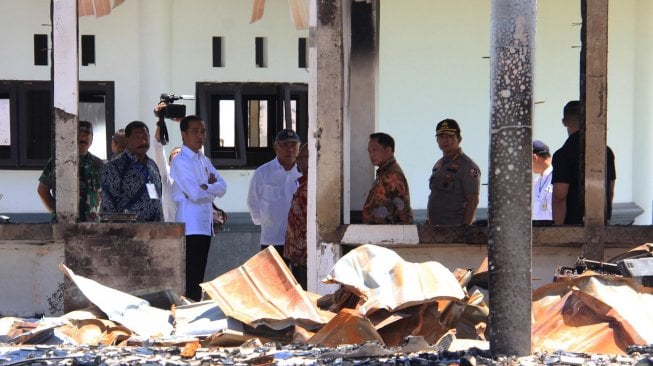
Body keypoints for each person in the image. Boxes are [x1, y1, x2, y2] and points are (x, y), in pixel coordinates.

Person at [171, 115, 227, 301]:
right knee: (189, 276)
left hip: (204, 225)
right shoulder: (180, 161)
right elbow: (194, 193)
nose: (200, 135)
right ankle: (185, 313)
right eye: (195, 131)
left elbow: (223, 187)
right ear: (184, 134)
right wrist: (210, 190)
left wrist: (207, 188)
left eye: (202, 131)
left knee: (198, 276)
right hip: (189, 225)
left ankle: (192, 310)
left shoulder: (204, 159)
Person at [552, 100, 616, 225]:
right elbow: (610, 190)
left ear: (564, 122)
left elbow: (560, 196)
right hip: (600, 225)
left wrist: (558, 229)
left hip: (572, 227)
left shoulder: (563, 154)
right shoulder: (606, 151)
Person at [247, 129, 302, 254]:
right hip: (272, 239)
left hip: (298, 240)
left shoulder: (303, 172)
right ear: (276, 147)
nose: (290, 150)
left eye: (294, 145)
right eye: (285, 145)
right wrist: (266, 222)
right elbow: (253, 201)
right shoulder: (263, 172)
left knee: (297, 274)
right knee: (272, 274)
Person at [37, 120, 105, 222]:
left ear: (92, 139)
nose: (83, 138)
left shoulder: (99, 164)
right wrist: (55, 211)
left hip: (92, 225)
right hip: (65, 225)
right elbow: (42, 189)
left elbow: (104, 193)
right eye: (79, 134)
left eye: (87, 135)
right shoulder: (59, 161)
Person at [101, 121, 163, 222]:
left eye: (145, 137)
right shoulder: (115, 166)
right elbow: (108, 207)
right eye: (137, 137)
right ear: (127, 140)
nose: (143, 141)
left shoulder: (152, 165)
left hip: (155, 232)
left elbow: (159, 201)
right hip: (129, 233)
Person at [427, 119, 481, 225]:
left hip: (455, 230)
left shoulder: (468, 166)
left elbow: (473, 201)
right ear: (437, 140)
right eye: (441, 137)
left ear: (459, 139)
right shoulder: (439, 165)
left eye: (449, 137)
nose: (445, 141)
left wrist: (464, 230)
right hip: (436, 229)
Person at [362, 132, 413, 224]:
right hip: (380, 233)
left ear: (388, 150)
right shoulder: (383, 172)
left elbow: (403, 212)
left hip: (389, 235)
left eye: (375, 150)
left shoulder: (392, 175)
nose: (371, 155)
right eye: (369, 151)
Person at [285, 143, 309, 289]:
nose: (298, 161)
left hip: (304, 254)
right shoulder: (302, 183)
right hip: (296, 254)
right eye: (298, 158)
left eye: (303, 157)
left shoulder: (311, 186)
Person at [532, 140, 553, 225]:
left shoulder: (558, 178)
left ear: (534, 157)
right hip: (536, 234)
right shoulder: (536, 182)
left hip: (554, 233)